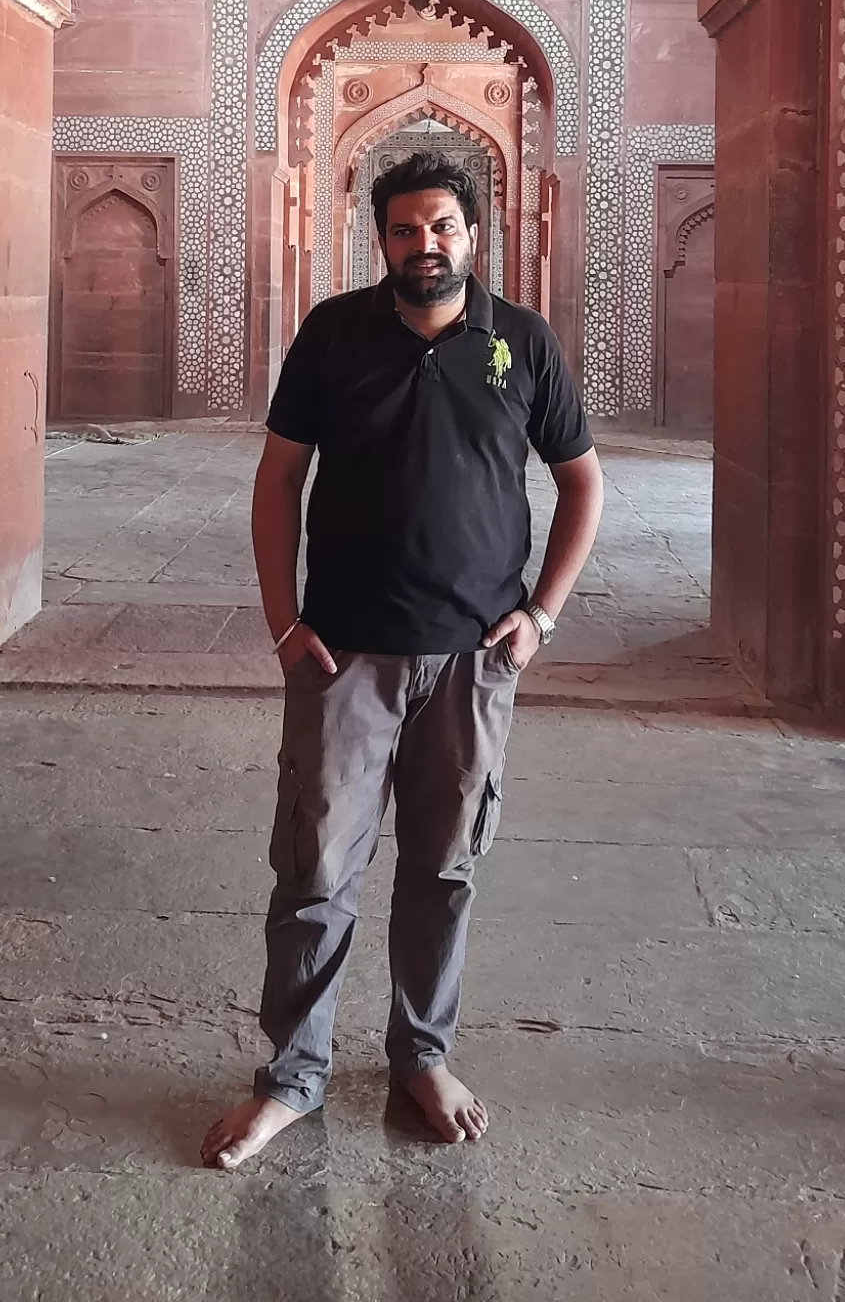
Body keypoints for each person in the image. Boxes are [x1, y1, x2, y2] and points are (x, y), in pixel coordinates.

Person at [201, 151, 604, 1170]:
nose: (425, 245)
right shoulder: (336, 332)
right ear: (379, 236)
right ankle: (292, 1075)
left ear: (475, 232)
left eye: (443, 227)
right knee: (314, 869)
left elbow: (582, 482)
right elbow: (278, 476)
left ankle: (422, 1053)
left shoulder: (522, 342)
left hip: (472, 660)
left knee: (442, 865)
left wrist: (541, 616)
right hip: (345, 656)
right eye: (404, 229)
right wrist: (283, 618)